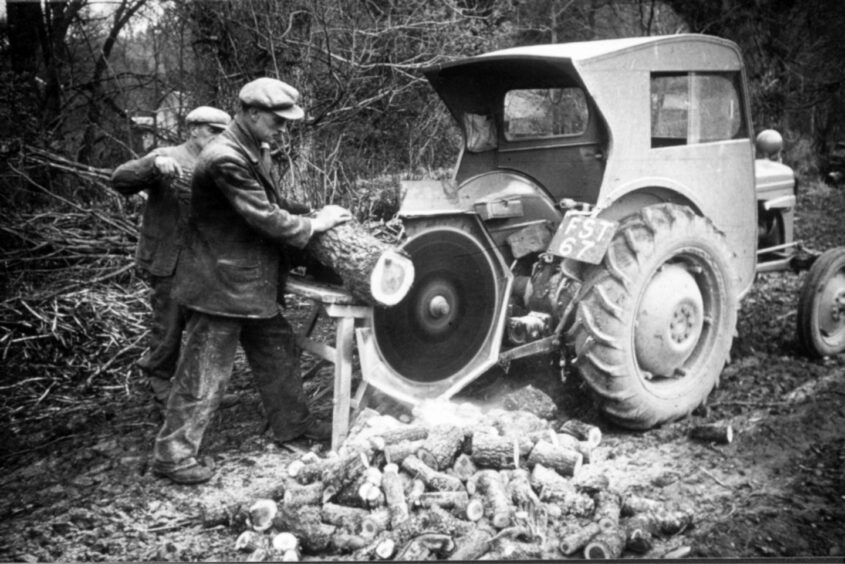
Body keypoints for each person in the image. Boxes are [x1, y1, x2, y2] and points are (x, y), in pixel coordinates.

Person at [152, 78, 352, 485]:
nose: (283, 129)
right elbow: (265, 218)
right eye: (277, 121)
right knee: (204, 373)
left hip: (250, 282)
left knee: (278, 352)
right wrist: (315, 224)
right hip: (220, 286)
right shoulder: (224, 156)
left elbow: (272, 204)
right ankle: (173, 455)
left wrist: (312, 211)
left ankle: (291, 426)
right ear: (252, 113)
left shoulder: (251, 149)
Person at [111, 106, 236, 415]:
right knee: (167, 329)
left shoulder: (219, 162)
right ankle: (160, 386)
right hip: (169, 262)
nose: (222, 138)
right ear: (194, 129)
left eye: (225, 132)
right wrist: (155, 165)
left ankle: (193, 392)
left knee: (201, 330)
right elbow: (120, 179)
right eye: (216, 131)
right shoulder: (166, 155)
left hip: (205, 264)